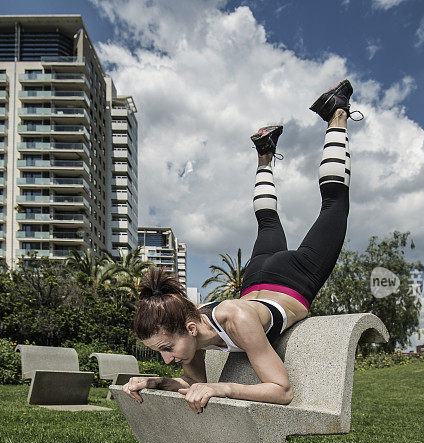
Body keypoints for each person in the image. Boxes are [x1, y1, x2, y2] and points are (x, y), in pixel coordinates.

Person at [124, 79, 359, 413]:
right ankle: (265, 153)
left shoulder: (230, 319)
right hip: (257, 279)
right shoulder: (195, 327)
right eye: (161, 352)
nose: (167, 358)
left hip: (292, 280)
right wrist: (152, 381)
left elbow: (281, 390)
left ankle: (337, 112)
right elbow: (191, 385)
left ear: (189, 329)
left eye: (166, 348)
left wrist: (222, 388)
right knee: (268, 221)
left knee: (334, 204)